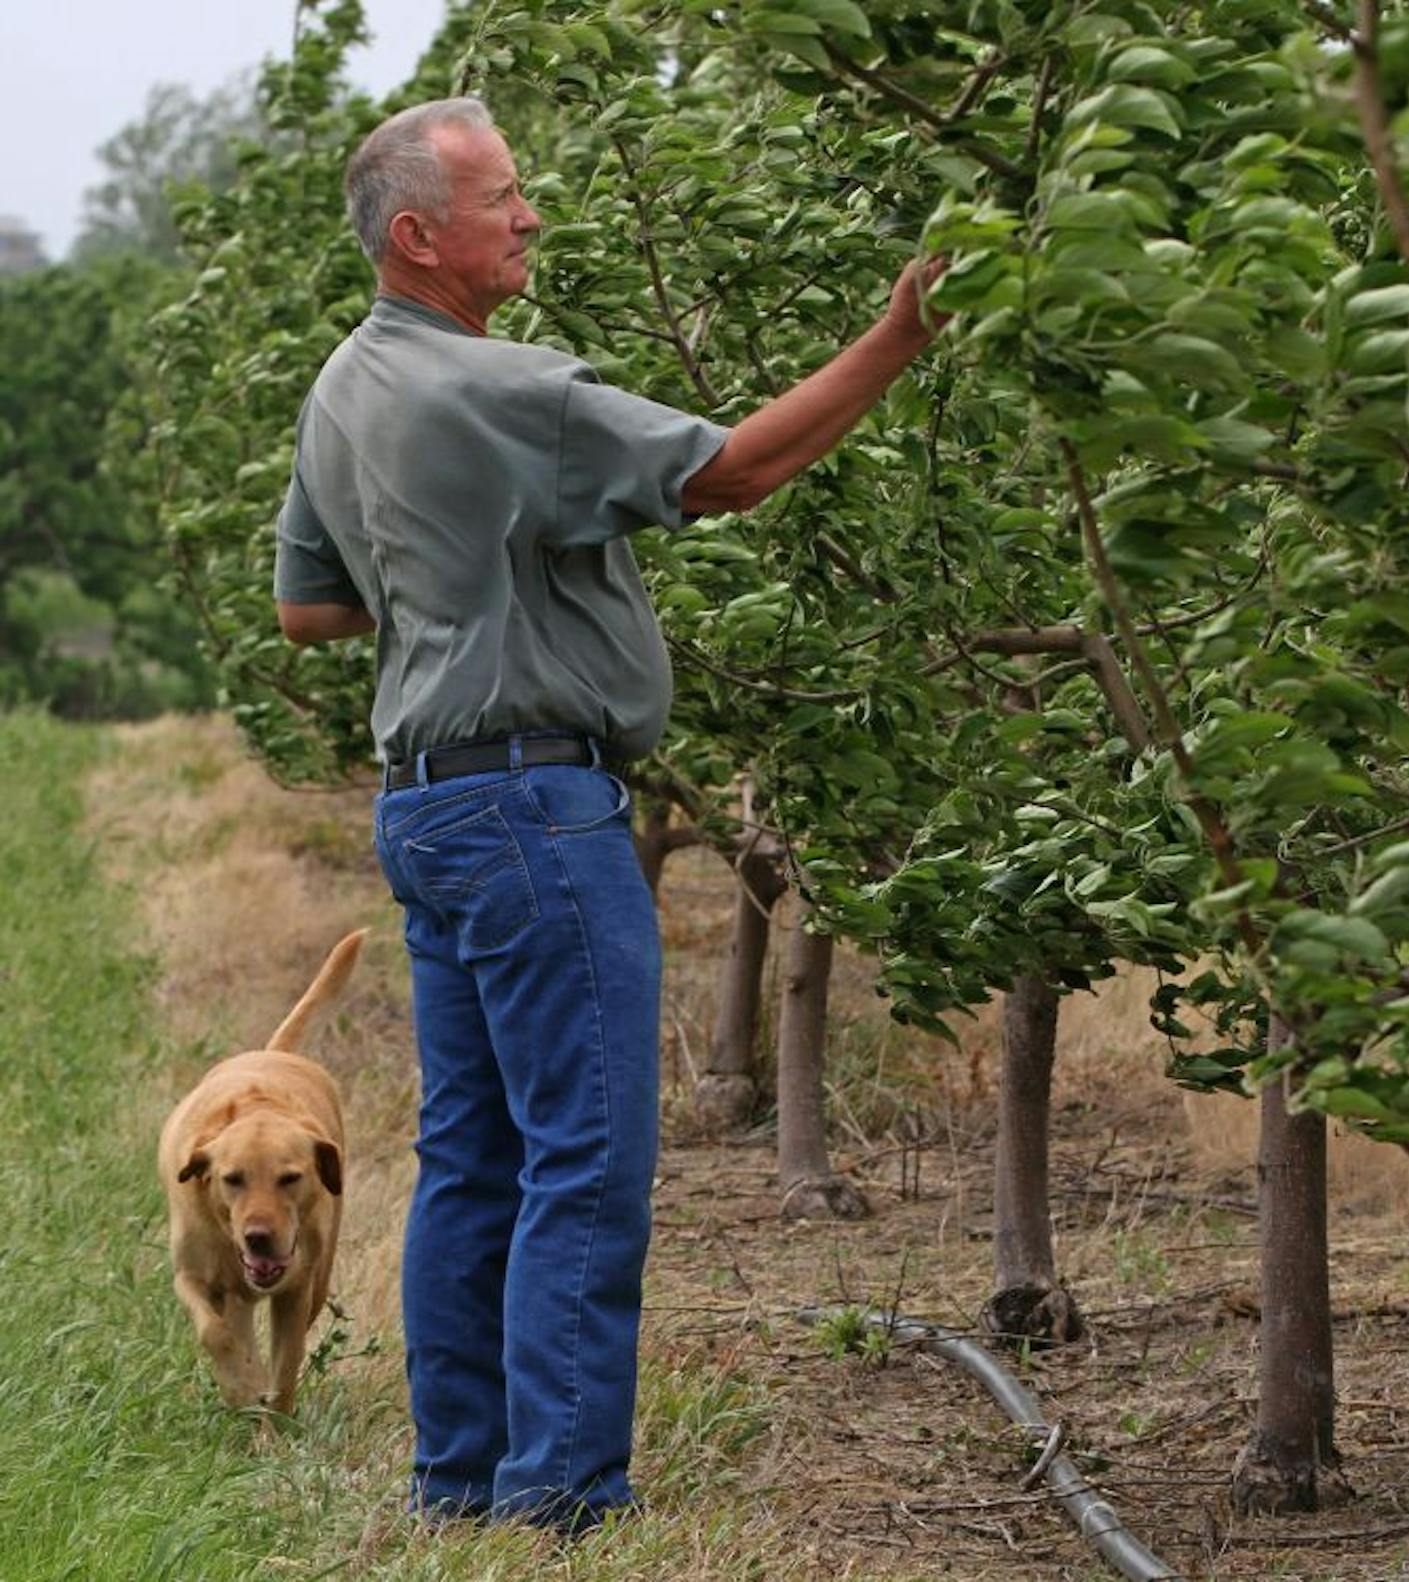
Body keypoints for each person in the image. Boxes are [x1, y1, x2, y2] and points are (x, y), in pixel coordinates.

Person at [272, 96, 944, 1533]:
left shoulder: (341, 390)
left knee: (472, 1154)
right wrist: (899, 336)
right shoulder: (504, 389)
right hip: (533, 805)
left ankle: (460, 1484)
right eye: (503, 199)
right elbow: (736, 469)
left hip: (431, 811)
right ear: (419, 235)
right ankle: (563, 1497)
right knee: (585, 1156)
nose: (529, 217)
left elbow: (307, 605)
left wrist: (457, 578)